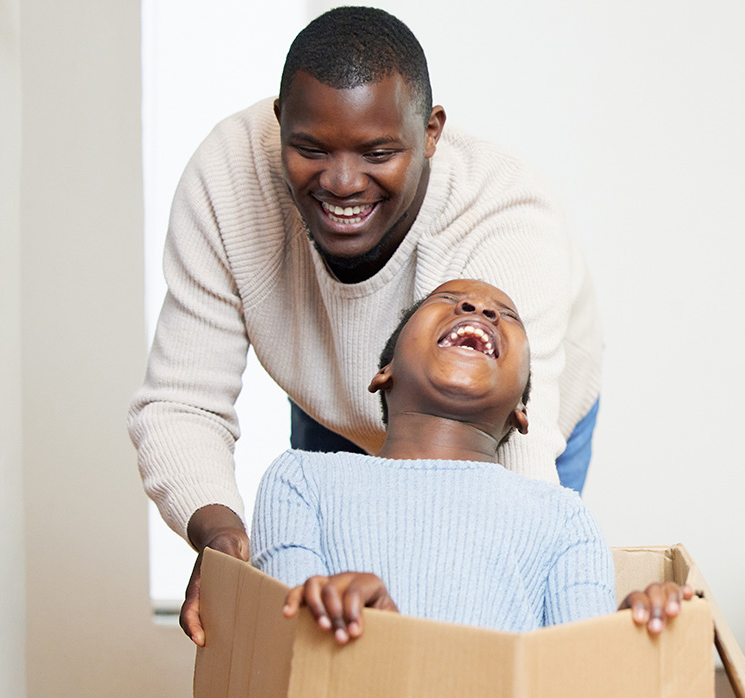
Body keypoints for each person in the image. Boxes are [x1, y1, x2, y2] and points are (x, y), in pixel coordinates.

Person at [128, 7, 604, 646]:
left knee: (505, 603)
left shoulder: (503, 218)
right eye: (310, 148)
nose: (342, 182)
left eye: (378, 152)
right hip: (329, 408)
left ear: (432, 133)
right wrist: (222, 543)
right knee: (330, 634)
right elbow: (183, 403)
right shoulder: (228, 178)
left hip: (509, 439)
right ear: (279, 125)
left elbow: (515, 461)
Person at [250, 280, 689, 640]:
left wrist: (626, 642)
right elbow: (284, 646)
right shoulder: (301, 478)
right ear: (384, 372)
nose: (479, 309)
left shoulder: (562, 517)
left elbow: (575, 687)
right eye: (447, 299)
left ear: (522, 410)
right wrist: (375, 640)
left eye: (507, 315)